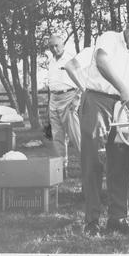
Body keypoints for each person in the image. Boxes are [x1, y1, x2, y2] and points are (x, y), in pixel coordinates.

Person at [80, 13, 129, 236]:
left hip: (122, 108)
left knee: (120, 161)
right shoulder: (109, 38)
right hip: (97, 100)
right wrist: (123, 89)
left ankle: (117, 217)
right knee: (93, 162)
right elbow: (101, 61)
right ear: (128, 27)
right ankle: (91, 220)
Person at [47, 35, 81, 178]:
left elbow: (82, 79)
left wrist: (77, 99)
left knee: (76, 136)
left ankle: (88, 168)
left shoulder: (71, 58)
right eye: (51, 46)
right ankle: (62, 170)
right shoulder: (51, 60)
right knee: (57, 137)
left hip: (69, 98)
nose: (54, 49)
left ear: (63, 45)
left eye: (57, 46)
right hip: (54, 99)